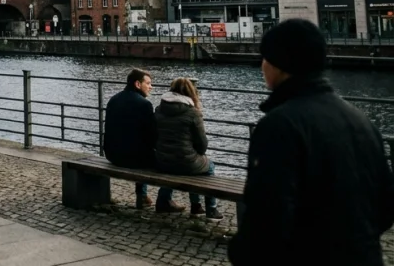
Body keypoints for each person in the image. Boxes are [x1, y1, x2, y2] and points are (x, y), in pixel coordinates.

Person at [228, 19, 394, 265]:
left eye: (265, 58)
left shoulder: (280, 125)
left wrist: (240, 252)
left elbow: (267, 219)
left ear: (280, 64)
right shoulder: (360, 120)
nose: (262, 66)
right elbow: (384, 207)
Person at [103, 68, 179, 212]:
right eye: (148, 83)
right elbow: (152, 136)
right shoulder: (144, 105)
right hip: (133, 159)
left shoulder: (114, 99)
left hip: (112, 154)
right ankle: (164, 200)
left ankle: (142, 196)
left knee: (139, 149)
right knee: (169, 160)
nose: (151, 87)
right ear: (138, 84)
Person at [154, 77, 221, 220]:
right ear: (191, 92)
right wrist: (198, 153)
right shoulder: (193, 113)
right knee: (208, 167)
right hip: (185, 162)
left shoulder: (159, 109)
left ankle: (163, 201)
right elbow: (202, 144)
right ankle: (210, 209)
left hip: (162, 161)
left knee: (176, 165)